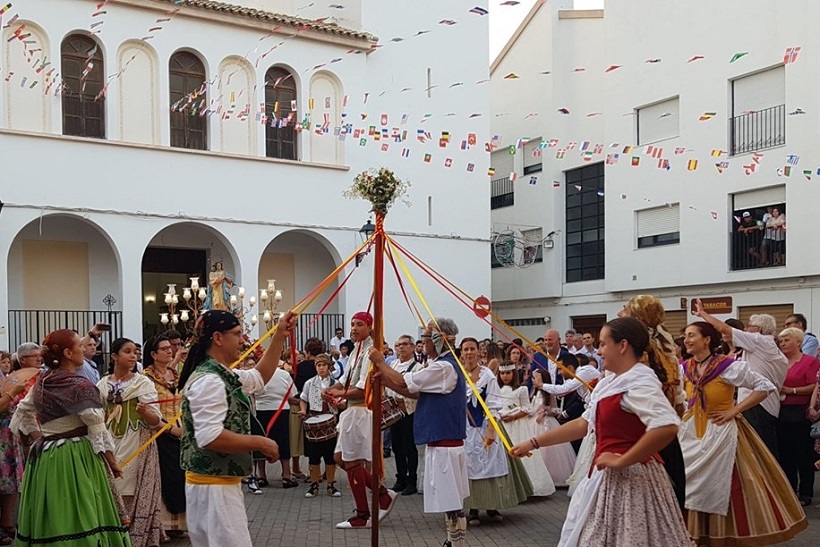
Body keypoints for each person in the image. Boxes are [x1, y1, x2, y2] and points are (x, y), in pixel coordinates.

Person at [511, 317, 690, 546]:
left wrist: (623, 460)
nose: (600, 351)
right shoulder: (612, 382)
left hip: (631, 481)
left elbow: (666, 426)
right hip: (606, 477)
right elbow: (584, 425)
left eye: (604, 344)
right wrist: (534, 442)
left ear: (622, 346)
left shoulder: (639, 381)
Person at [679, 321, 807, 545]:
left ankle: (723, 533)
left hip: (720, 431)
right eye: (686, 336)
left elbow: (765, 386)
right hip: (692, 432)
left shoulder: (727, 366)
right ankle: (693, 533)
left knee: (724, 482)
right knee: (690, 482)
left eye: (691, 335)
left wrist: (734, 410)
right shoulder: (685, 368)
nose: (687, 340)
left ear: (707, 340)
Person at [178, 310, 295, 546]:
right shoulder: (210, 380)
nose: (243, 341)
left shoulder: (221, 374)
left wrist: (280, 336)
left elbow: (259, 376)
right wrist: (260, 442)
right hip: (214, 490)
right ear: (218, 338)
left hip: (216, 486)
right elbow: (210, 436)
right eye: (238, 334)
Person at [11, 330, 130, 547]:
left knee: (53, 511)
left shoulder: (41, 383)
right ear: (68, 352)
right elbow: (97, 428)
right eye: (79, 346)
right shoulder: (81, 386)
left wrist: (42, 437)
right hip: (76, 458)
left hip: (46, 457)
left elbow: (22, 413)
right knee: (81, 509)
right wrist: (112, 462)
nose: (83, 349)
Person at [369, 319, 469, 547]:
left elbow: (406, 381)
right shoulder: (443, 366)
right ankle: (451, 540)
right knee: (448, 498)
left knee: (451, 500)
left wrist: (381, 362)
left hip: (446, 443)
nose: (423, 341)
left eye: (426, 336)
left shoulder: (443, 367)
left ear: (438, 339)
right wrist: (386, 380)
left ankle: (457, 542)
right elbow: (414, 391)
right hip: (442, 441)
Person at [323, 312, 397, 529]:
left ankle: (362, 515)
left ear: (370, 326)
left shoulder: (370, 351)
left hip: (361, 412)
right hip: (351, 412)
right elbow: (344, 382)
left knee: (353, 461)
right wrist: (330, 389)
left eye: (359, 324)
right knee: (340, 458)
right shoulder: (356, 349)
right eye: (352, 324)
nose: (354, 328)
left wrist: (339, 394)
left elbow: (363, 388)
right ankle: (383, 494)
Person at [693, 302, 787, 457]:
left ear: (759, 330)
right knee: (764, 451)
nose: (745, 329)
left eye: (749, 326)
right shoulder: (771, 348)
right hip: (766, 405)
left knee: (758, 454)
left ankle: (765, 482)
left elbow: (725, 329)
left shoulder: (759, 341)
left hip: (757, 405)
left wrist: (703, 314)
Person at [456, 339, 531, 526]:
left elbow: (494, 403)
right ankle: (472, 508)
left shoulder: (487, 375)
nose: (469, 352)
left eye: (472, 349)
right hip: (464, 428)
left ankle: (491, 506)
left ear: (478, 352)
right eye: (466, 349)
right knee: (468, 466)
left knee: (489, 462)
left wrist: (491, 430)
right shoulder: (457, 374)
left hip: (485, 425)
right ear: (461, 352)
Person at [99, 338, 165, 547]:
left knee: (129, 485)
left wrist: (146, 412)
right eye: (127, 351)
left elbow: (156, 420)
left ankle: (133, 534)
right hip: (109, 440)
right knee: (110, 485)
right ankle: (112, 533)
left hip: (136, 440)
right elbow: (97, 416)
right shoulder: (102, 384)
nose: (133, 356)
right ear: (115, 356)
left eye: (135, 352)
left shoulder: (142, 383)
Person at [143, 335, 187, 536]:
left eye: (170, 348)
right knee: (164, 476)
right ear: (153, 354)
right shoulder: (145, 378)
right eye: (164, 349)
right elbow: (147, 411)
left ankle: (181, 523)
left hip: (180, 428)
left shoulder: (174, 373)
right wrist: (170, 429)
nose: (170, 351)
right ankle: (165, 524)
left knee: (180, 475)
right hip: (158, 431)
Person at [775, 327, 820, 506]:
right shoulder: (778, 361)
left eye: (787, 340)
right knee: (785, 454)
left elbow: (814, 385)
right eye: (781, 340)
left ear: (799, 342)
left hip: (800, 412)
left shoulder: (809, 362)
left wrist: (792, 390)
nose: (783, 343)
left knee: (803, 454)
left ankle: (806, 493)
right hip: (781, 411)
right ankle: (790, 490)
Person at [497, 362, 556, 497]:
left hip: (518, 425)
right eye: (502, 373)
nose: (505, 376)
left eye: (508, 373)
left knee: (520, 452)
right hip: (502, 425)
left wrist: (514, 416)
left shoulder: (521, 389)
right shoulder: (496, 389)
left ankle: (528, 486)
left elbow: (527, 408)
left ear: (514, 374)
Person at [298, 353, 340, 498]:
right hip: (314, 418)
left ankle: (330, 485)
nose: (321, 368)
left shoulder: (335, 382)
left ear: (329, 366)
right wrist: (303, 411)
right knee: (313, 456)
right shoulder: (309, 383)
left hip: (330, 420)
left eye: (323, 365)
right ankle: (314, 485)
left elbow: (342, 401)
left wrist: (337, 403)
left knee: (330, 455)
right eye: (318, 365)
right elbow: (303, 399)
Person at [252, 358, 294, 490]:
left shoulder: (256, 374)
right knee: (283, 441)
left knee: (260, 440)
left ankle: (262, 476)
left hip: (260, 409)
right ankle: (286, 475)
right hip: (281, 409)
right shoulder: (284, 375)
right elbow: (291, 393)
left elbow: (251, 392)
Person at [386, 335, 420, 496]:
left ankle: (411, 480)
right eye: (398, 345)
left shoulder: (418, 367)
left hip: (409, 411)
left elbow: (415, 390)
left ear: (413, 347)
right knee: (397, 446)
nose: (401, 347)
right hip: (393, 412)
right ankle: (400, 478)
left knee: (409, 448)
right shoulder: (392, 364)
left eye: (405, 344)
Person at [530, 369, 576, 486]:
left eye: (536, 378)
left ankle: (552, 475)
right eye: (533, 378)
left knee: (549, 449)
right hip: (533, 422)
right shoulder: (534, 393)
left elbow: (556, 410)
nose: (534, 380)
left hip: (547, 422)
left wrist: (545, 413)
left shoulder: (548, 394)